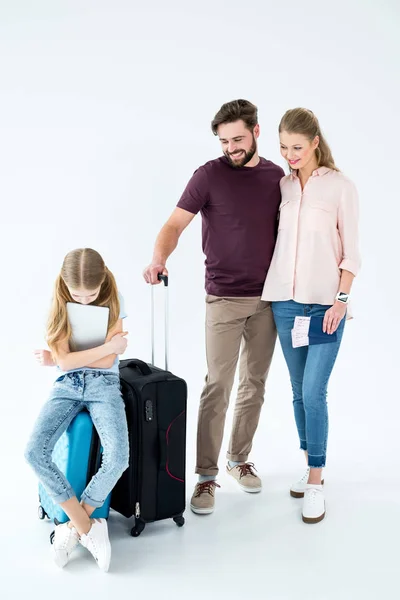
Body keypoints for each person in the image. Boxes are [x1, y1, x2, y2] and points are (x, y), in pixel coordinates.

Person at [143, 99, 284, 515]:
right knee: (217, 386)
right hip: (223, 298)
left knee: (253, 384)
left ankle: (238, 459)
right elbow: (174, 224)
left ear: (257, 132)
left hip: (267, 301)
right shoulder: (208, 175)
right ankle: (206, 478)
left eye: (238, 139)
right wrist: (158, 258)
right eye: (224, 141)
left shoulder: (277, 178)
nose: (231, 148)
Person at [261, 108, 361, 524]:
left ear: (315, 142)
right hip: (285, 305)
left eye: (297, 147)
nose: (290, 155)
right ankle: (309, 459)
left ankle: (316, 481)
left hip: (324, 307)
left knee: (315, 390)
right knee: (299, 391)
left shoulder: (340, 187)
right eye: (283, 148)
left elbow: (352, 253)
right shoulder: (282, 186)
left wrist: (340, 300)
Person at [25, 248, 130, 570]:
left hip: (104, 385)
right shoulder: (56, 306)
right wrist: (68, 358)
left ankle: (73, 525)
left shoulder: (116, 300)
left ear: (103, 284)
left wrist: (61, 359)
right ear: (65, 286)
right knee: (33, 452)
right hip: (66, 385)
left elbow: (108, 362)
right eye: (77, 294)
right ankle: (85, 526)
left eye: (91, 294)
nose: (84, 300)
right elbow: (71, 361)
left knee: (119, 457)